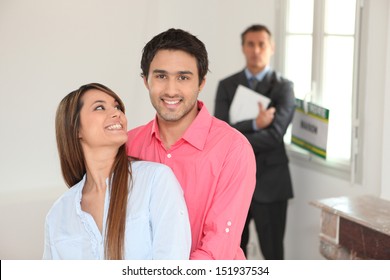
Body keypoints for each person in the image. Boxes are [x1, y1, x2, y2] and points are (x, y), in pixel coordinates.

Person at [127, 28, 256, 260]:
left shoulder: (233, 149)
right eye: (161, 76)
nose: (171, 90)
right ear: (146, 81)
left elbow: (218, 248)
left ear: (201, 82)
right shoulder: (128, 145)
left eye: (183, 77)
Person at [43, 83, 191, 260]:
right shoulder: (59, 214)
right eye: (99, 107)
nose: (117, 113)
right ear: (76, 129)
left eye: (117, 107)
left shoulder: (155, 180)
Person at [214, 24, 295, 260]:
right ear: (242, 48)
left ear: (271, 48)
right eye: (250, 44)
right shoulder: (227, 85)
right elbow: (221, 131)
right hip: (233, 182)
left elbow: (274, 135)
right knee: (231, 252)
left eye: (262, 44)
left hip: (270, 184)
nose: (256, 50)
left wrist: (237, 136)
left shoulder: (284, 88)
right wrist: (255, 124)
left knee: (273, 254)